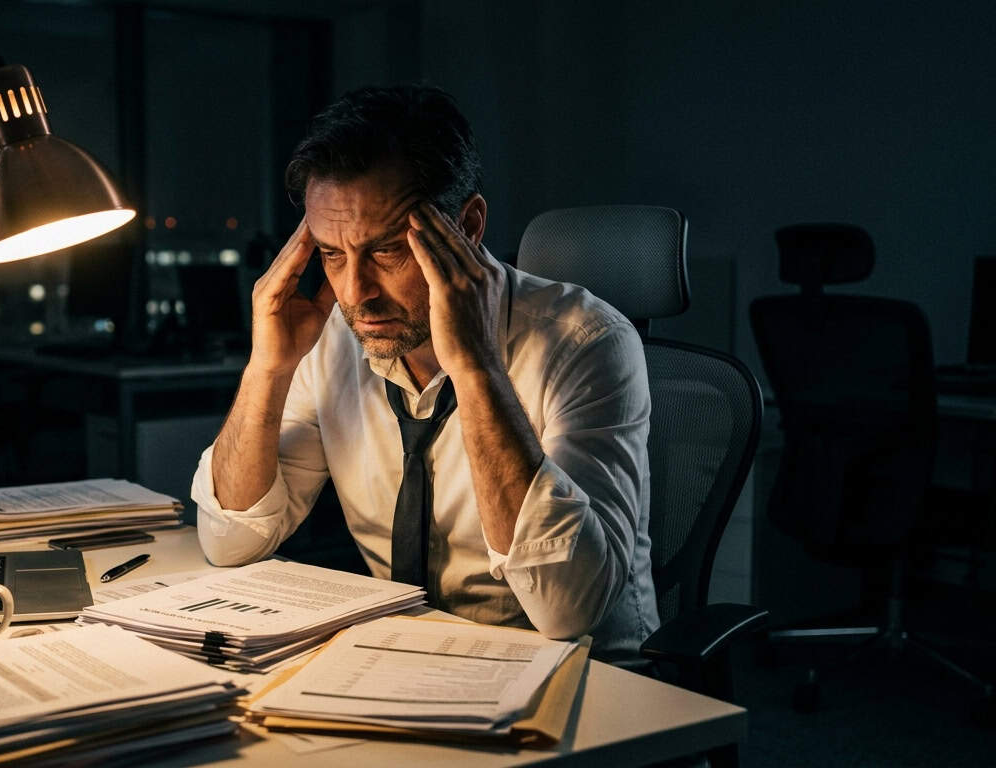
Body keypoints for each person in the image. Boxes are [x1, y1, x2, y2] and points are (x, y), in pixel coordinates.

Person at [189, 84, 658, 659]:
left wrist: (478, 367)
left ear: (469, 225)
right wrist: (267, 369)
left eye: (387, 251)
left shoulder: (588, 341)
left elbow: (567, 610)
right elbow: (229, 541)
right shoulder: (336, 333)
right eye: (333, 255)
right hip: (404, 662)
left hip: (587, 677)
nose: (356, 293)